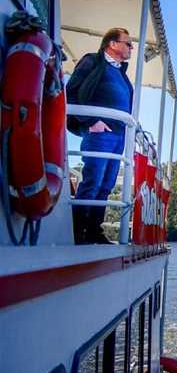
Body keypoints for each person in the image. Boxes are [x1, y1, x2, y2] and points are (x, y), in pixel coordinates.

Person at [66, 28, 134, 244]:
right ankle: (78, 233)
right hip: (99, 132)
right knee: (93, 180)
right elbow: (71, 93)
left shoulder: (121, 73)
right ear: (112, 44)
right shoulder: (92, 62)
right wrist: (90, 121)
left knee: (107, 184)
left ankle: (94, 230)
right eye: (128, 43)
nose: (131, 48)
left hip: (118, 135)